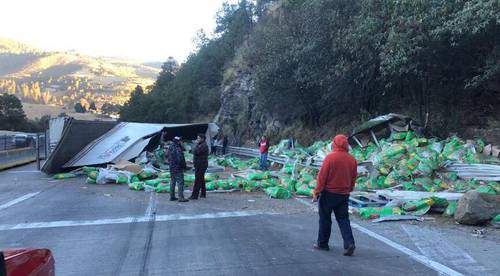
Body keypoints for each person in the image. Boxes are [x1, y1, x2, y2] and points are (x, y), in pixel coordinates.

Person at [312, 134, 357, 256]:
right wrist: (349, 188)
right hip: (343, 195)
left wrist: (317, 192)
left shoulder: (330, 158)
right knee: (343, 219)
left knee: (325, 219)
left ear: (335, 143)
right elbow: (353, 178)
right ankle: (349, 243)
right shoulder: (351, 159)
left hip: (328, 194)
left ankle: (322, 244)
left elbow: (322, 177)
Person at [167, 136, 188, 202]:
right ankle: (181, 197)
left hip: (171, 167)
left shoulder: (170, 147)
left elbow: (167, 156)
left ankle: (172, 196)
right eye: (181, 141)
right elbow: (180, 159)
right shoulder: (178, 148)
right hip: (178, 168)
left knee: (172, 182)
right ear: (178, 141)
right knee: (180, 182)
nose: (182, 142)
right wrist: (184, 167)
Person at [190, 134, 209, 200]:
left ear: (202, 139)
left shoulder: (203, 146)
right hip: (199, 164)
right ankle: (203, 193)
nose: (197, 140)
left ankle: (194, 195)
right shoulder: (200, 145)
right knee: (201, 179)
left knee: (197, 180)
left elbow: (195, 151)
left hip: (201, 165)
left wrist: (195, 145)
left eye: (198, 138)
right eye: (197, 138)